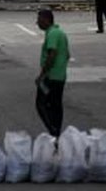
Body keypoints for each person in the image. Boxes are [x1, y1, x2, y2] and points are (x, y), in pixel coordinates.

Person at [35, 9, 69, 138]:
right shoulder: (59, 33)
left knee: (41, 104)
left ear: (46, 20)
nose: (37, 23)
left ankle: (53, 130)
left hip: (51, 76)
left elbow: (52, 54)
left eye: (39, 20)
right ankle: (56, 131)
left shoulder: (53, 34)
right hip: (60, 76)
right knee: (55, 104)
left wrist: (42, 74)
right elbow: (67, 54)